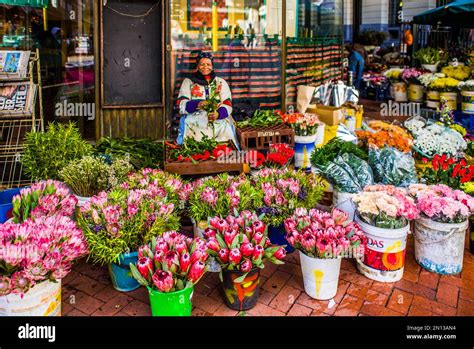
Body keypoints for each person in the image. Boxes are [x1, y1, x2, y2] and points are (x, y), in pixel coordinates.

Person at [176, 51, 239, 148]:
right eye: (202, 64)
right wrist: (197, 104)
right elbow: (181, 104)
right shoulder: (188, 82)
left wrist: (218, 114)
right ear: (197, 65)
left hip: (219, 122)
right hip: (195, 121)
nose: (205, 67)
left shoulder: (221, 82)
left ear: (212, 66)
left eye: (208, 64)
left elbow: (228, 104)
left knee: (226, 131)